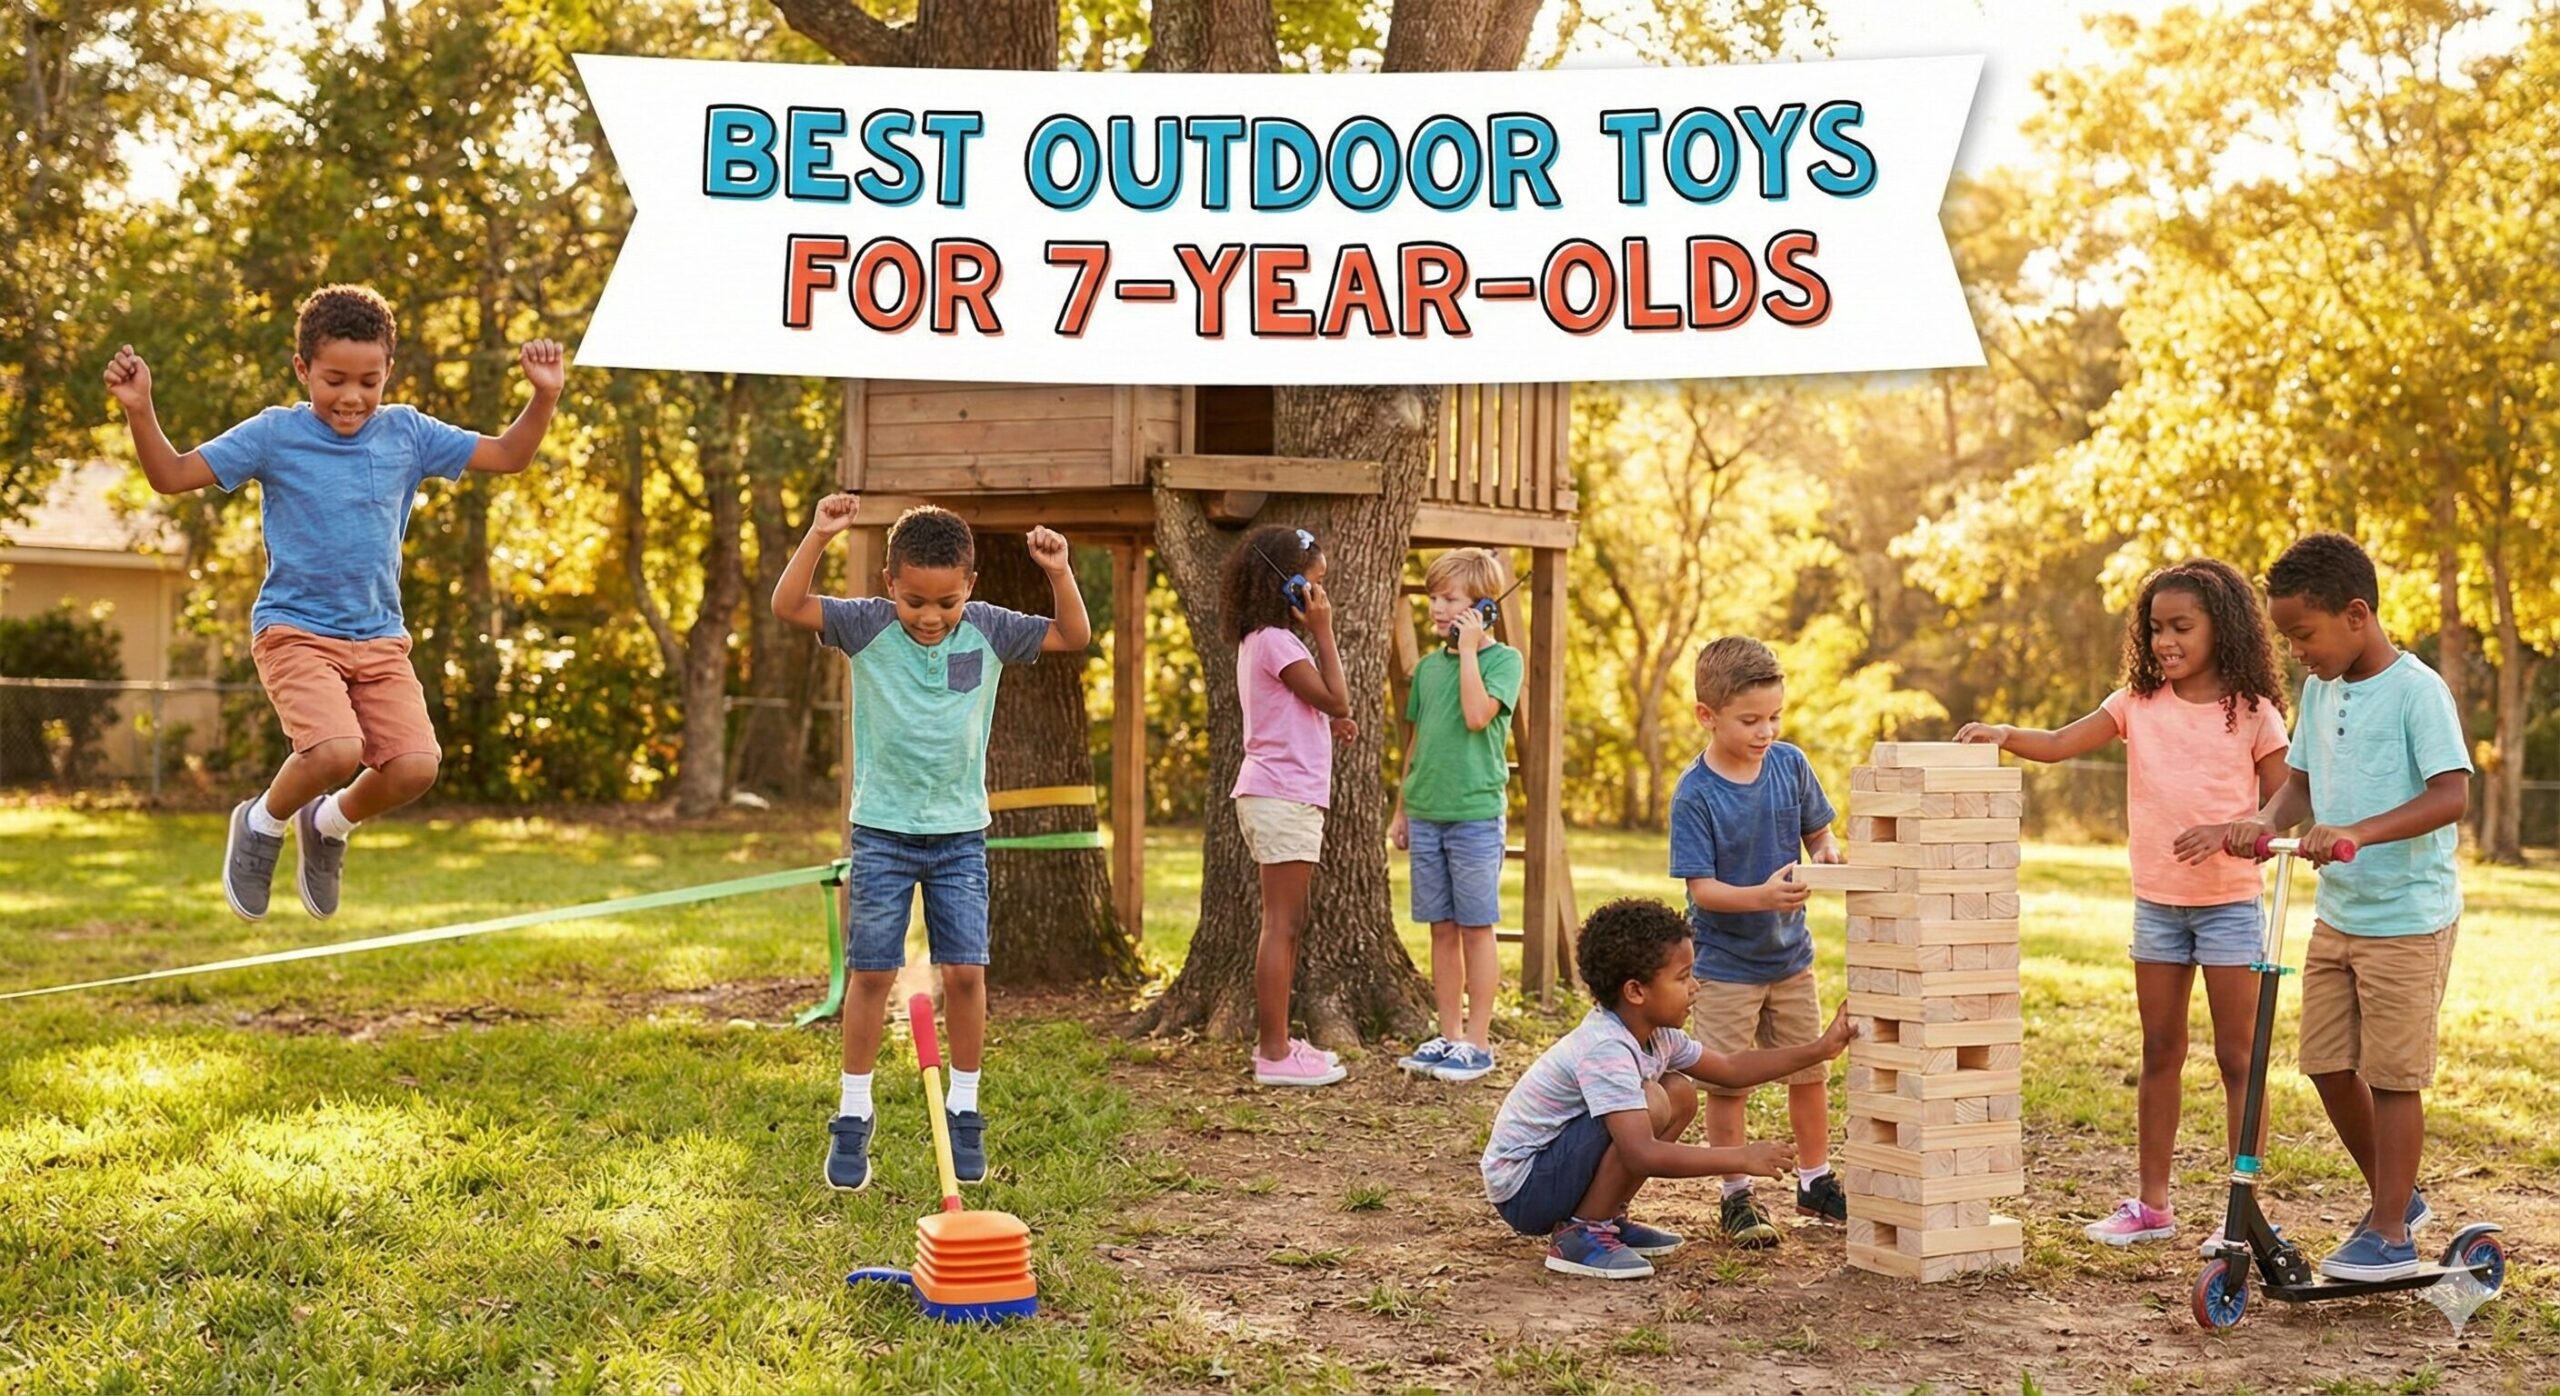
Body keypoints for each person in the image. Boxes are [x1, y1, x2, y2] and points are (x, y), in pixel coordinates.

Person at [103, 285, 564, 922]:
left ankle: (329, 823)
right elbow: (172, 476)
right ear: (302, 370)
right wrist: (140, 409)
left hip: (380, 638)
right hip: (295, 631)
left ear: (388, 374)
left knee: (414, 767)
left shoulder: (408, 433)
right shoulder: (275, 433)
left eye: (369, 381)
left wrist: (543, 395)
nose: (351, 397)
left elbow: (510, 455)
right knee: (335, 750)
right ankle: (262, 823)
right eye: (334, 380)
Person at [1955, 559, 2289, 1250]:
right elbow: (2056, 744)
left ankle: (2245, 1209)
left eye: (2181, 627)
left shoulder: (2254, 712)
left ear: (2220, 629)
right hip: (2158, 907)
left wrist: (2233, 832)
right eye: (2155, 628)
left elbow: (2283, 810)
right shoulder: (2134, 704)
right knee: (2160, 1049)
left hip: (2230, 905)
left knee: (2238, 1059)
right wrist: (2003, 735)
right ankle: (2153, 1204)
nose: (2165, 640)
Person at [771, 495, 1091, 1192]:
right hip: (882, 833)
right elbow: (788, 604)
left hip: (959, 839)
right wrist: (820, 533)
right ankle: (854, 1115)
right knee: (872, 975)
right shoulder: (865, 625)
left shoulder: (991, 629)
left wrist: (1060, 571)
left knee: (967, 975)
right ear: (890, 584)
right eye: (915, 599)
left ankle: (965, 1107)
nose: (930, 617)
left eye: (946, 602)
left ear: (969, 586)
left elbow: (1074, 635)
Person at [2205, 533, 2469, 1282]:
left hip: (2407, 917)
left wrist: (2360, 832)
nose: (2296, 653)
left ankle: (2389, 1231)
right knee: (2324, 1063)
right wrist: (2266, 821)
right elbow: (2300, 787)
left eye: (2303, 634)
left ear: (2357, 614)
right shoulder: (2322, 692)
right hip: (2339, 914)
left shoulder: (2418, 691)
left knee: (2392, 1075)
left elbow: (2452, 794)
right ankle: (2401, 1195)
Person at [1480, 897, 1857, 1279]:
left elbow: (1730, 1068)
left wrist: (1820, 1049)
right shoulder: (1607, 1047)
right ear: (1636, 991)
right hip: (1525, 1188)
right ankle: (1583, 1232)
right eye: (1682, 977)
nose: (1695, 988)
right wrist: (1741, 1157)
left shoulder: (1657, 1035)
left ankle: (1604, 1216)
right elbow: (1642, 1153)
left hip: (1553, 1172)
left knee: (1679, 1092)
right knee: (1654, 1100)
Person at [1668, 636, 1848, 1246]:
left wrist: (1826, 854)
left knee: (1810, 1069)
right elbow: (1703, 891)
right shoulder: (1696, 793)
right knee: (1728, 1082)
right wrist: (1763, 896)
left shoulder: (1791, 765)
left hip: (1790, 957)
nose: (1765, 730)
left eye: (1774, 716)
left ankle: (1815, 1179)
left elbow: (1820, 833)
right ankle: (1736, 1193)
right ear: (1707, 716)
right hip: (1724, 965)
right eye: (1750, 720)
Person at [1223, 525, 1358, 1087]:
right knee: (1282, 924)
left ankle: (1278, 1044)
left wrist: (1329, 717)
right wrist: (1324, 633)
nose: (1319, 599)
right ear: (1290, 588)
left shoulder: (1263, 643)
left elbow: (1313, 705)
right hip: (1281, 796)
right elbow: (1336, 694)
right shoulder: (1280, 642)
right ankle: (1273, 1054)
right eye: (1315, 587)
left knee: (1287, 922)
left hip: (1279, 793)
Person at [1391, 548, 1523, 1084]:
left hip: (1473, 814)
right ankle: (1447, 1036)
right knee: (1440, 929)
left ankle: (1478, 1041)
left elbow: (1475, 716)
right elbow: (1417, 742)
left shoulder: (1502, 662)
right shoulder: (1425, 669)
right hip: (1426, 813)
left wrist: (1469, 650)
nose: (1437, 609)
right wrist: (1401, 809)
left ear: (1483, 609)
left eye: (1449, 600)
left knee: (1475, 927)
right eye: (1434, 599)